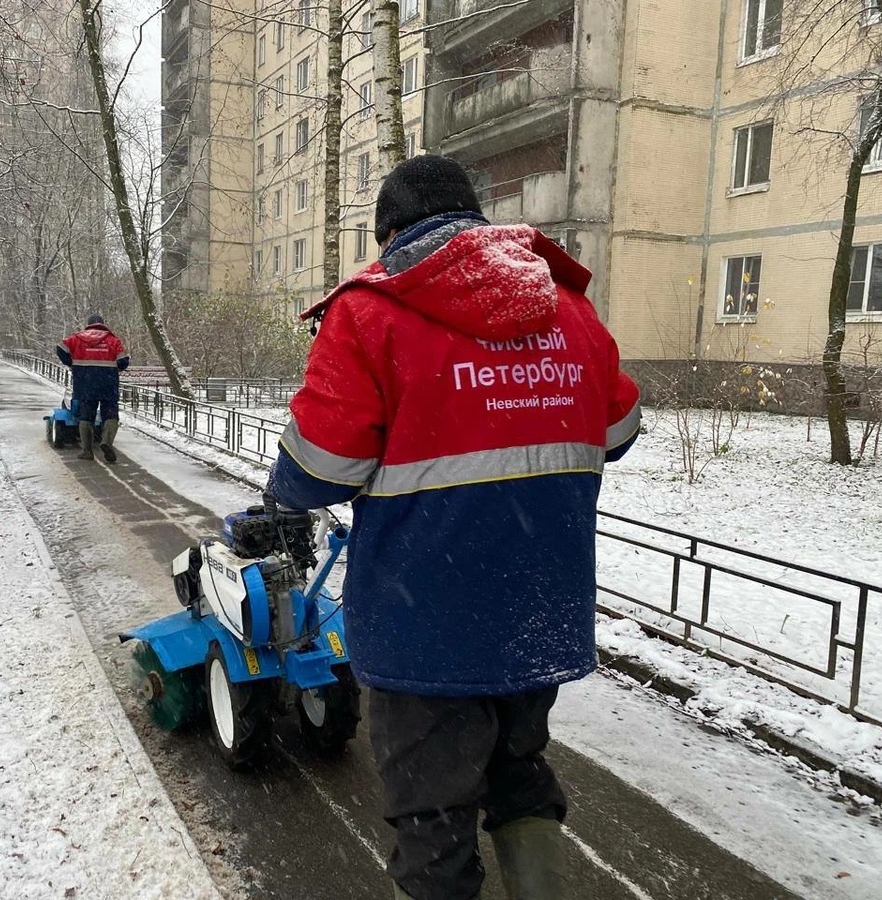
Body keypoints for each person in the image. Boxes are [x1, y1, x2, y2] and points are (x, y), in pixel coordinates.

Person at [265, 155, 641, 900]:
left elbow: (320, 469)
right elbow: (620, 427)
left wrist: (281, 490)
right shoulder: (567, 304)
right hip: (539, 605)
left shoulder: (370, 313)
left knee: (433, 817)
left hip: (424, 623)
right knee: (519, 773)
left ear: (393, 233)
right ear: (476, 218)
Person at [56, 314, 130, 462]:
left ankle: (87, 451)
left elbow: (60, 348)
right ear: (103, 324)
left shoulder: (77, 338)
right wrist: (115, 368)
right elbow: (123, 361)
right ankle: (106, 442)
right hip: (108, 383)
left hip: (84, 383)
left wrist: (71, 363)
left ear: (89, 325)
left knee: (86, 416)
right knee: (110, 414)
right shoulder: (113, 341)